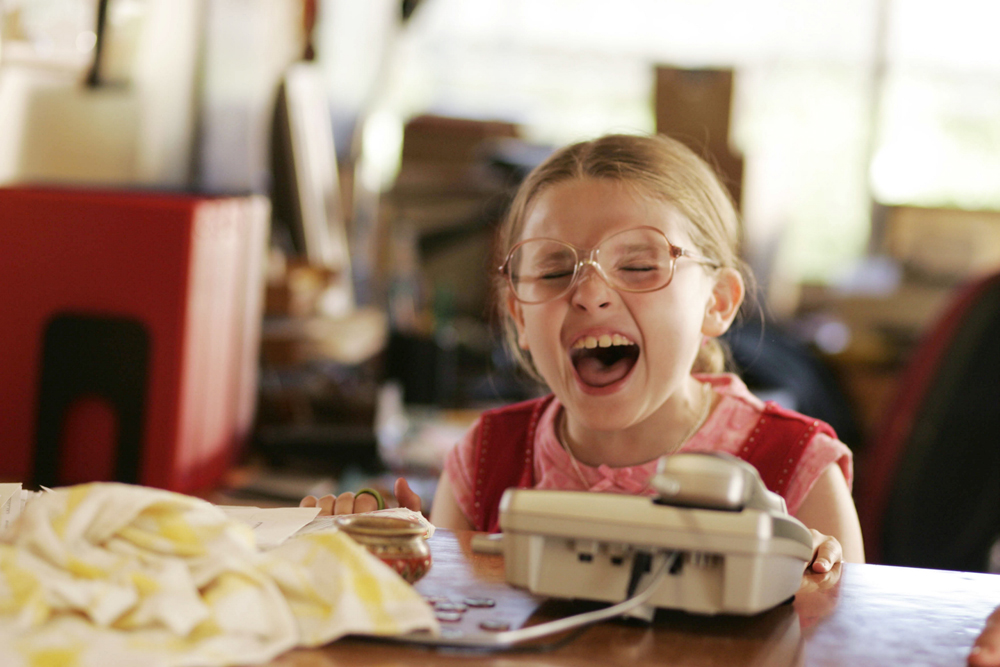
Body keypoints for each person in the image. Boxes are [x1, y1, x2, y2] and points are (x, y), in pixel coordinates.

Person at [302, 133, 865, 572]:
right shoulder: (484, 463)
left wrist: (807, 589)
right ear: (519, 316)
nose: (591, 294)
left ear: (717, 303)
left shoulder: (799, 473)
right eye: (553, 270)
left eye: (640, 265)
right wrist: (382, 569)